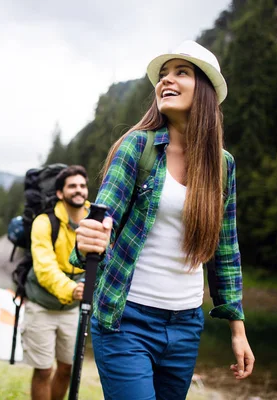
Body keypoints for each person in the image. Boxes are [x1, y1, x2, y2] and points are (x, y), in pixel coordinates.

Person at [71, 40, 255, 400]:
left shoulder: (223, 165)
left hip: (185, 325)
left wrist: (237, 328)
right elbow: (104, 215)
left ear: (204, 88)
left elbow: (225, 249)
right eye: (163, 74)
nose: (166, 80)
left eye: (180, 72)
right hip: (126, 319)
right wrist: (90, 240)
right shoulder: (137, 147)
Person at [21, 165, 90, 400]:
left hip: (72, 309)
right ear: (60, 193)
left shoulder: (96, 220)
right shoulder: (44, 222)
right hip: (41, 304)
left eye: (82, 185)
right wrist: (72, 289)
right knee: (43, 370)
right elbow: (44, 267)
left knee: (66, 368)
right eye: (72, 186)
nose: (78, 190)